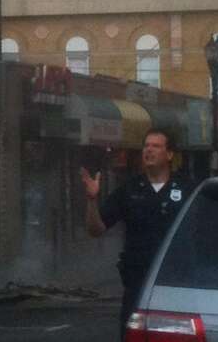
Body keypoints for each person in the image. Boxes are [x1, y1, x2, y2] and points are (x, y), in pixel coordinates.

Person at [81, 128, 196, 331]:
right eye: (146, 145)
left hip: (175, 279)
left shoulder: (187, 188)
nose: (148, 150)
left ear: (169, 154)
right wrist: (91, 200)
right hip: (137, 279)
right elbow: (96, 229)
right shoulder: (129, 189)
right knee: (133, 336)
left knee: (174, 341)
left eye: (156, 146)